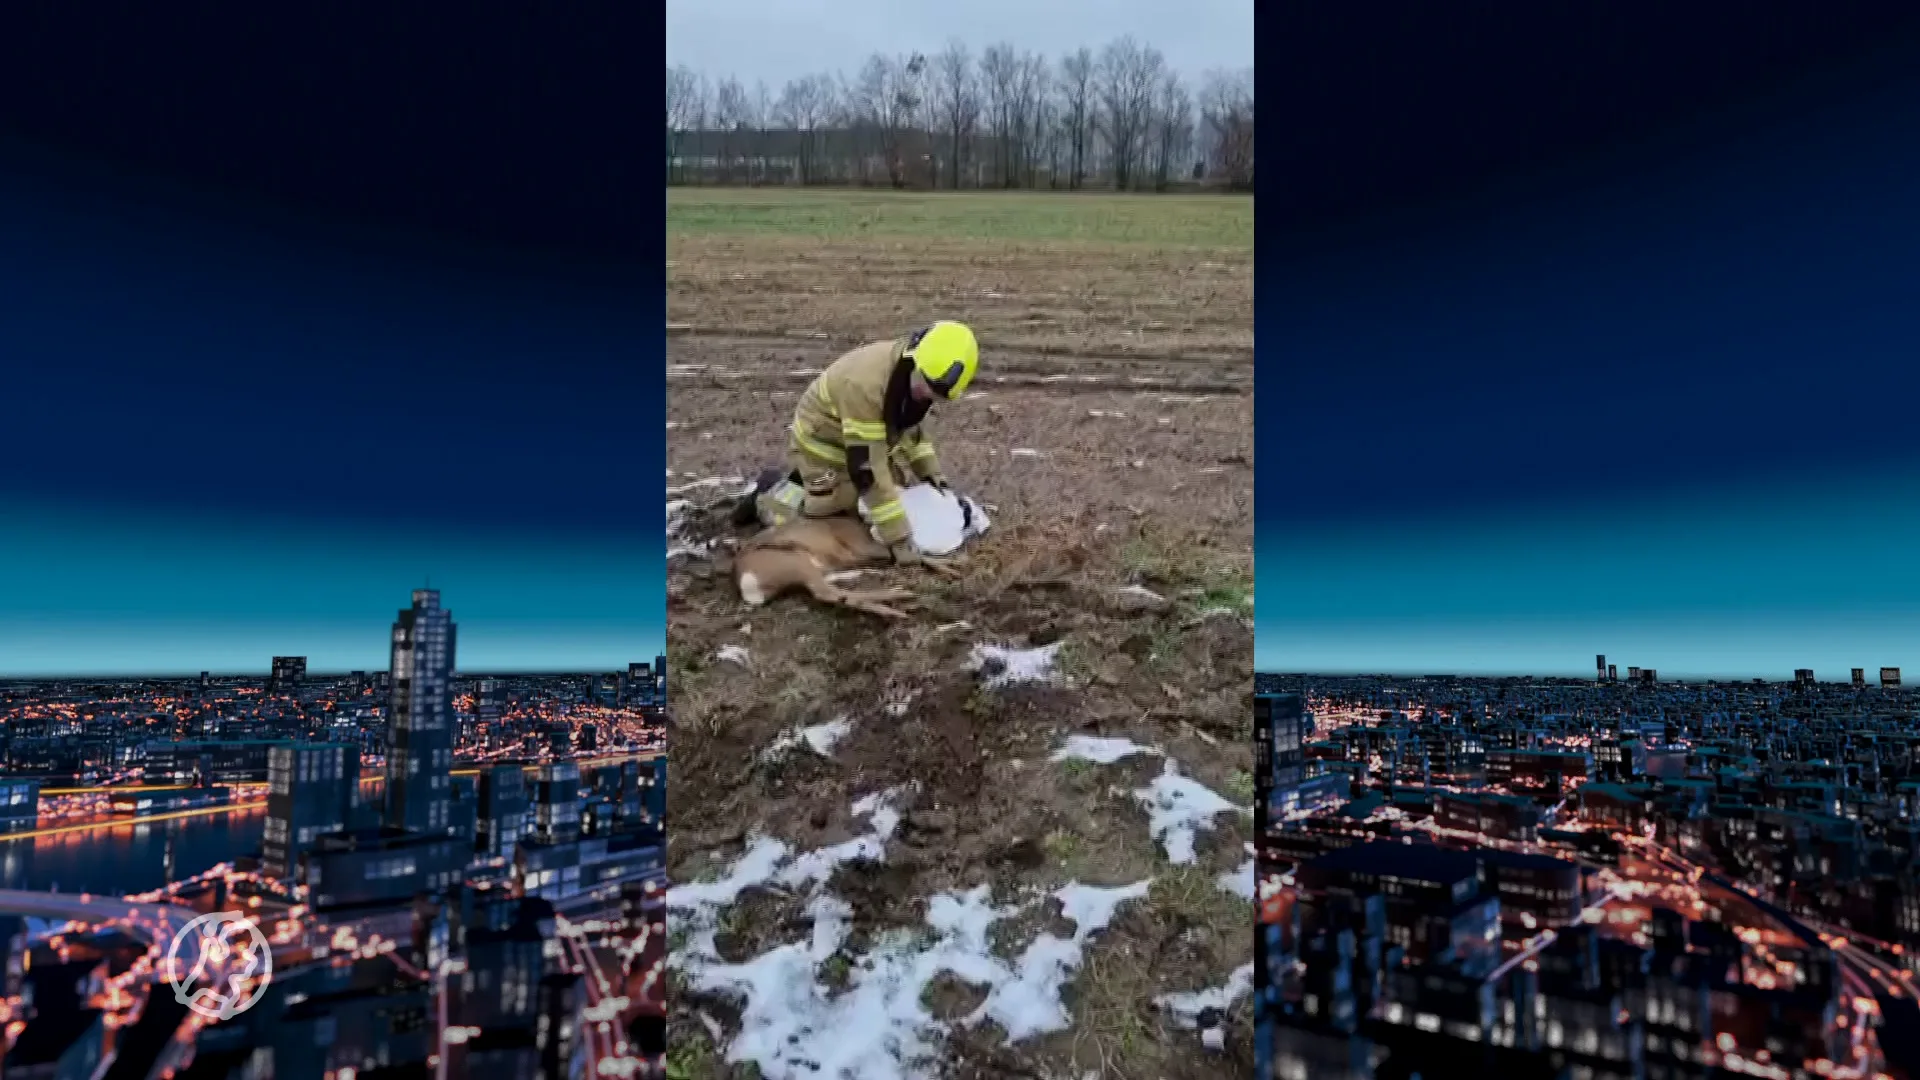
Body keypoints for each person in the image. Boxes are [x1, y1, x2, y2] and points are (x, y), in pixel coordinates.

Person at [755, 320, 977, 567]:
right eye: (925, 385)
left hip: (861, 441)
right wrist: (900, 541)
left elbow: (911, 429)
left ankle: (805, 484)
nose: (925, 394)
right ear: (915, 357)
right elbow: (867, 469)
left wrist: (931, 474)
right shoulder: (866, 385)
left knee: (891, 493)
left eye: (933, 393)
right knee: (839, 514)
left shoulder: (913, 372)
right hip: (822, 445)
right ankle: (772, 498)